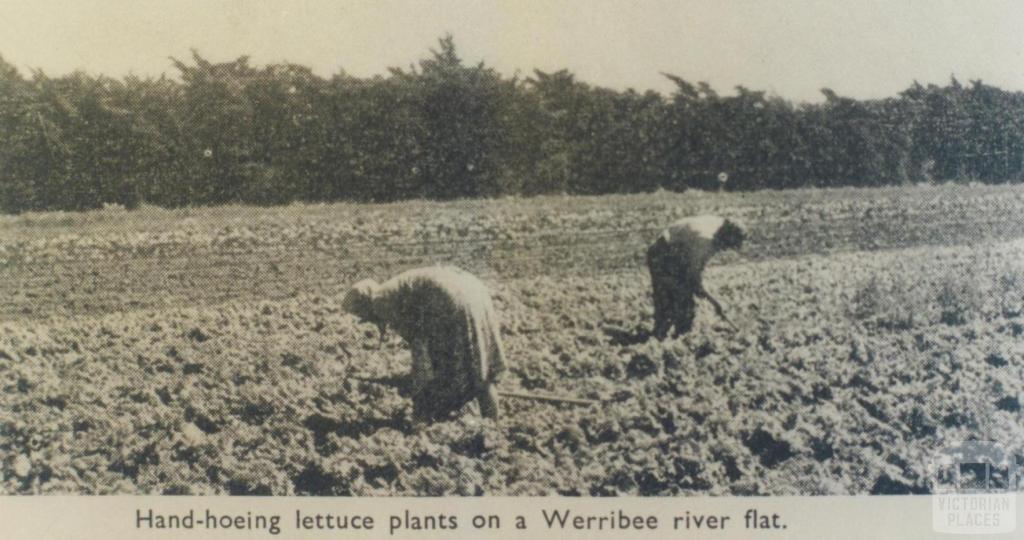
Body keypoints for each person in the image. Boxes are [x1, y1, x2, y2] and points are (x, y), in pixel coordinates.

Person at [342, 266, 506, 421]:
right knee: (481, 369)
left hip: (449, 298)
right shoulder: (394, 289)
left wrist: (418, 383)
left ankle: (423, 425)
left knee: (447, 373)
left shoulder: (380, 301)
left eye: (360, 313)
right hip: (473, 291)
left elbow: (419, 344)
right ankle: (492, 426)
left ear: (363, 304)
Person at [646, 215, 745, 339]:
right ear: (725, 238)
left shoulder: (719, 225)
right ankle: (666, 340)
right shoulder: (704, 241)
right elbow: (694, 277)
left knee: (681, 300)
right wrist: (715, 302)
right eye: (728, 245)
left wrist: (705, 294)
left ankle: (673, 338)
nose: (725, 249)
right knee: (677, 302)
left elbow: (693, 272)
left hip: (676, 253)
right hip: (662, 254)